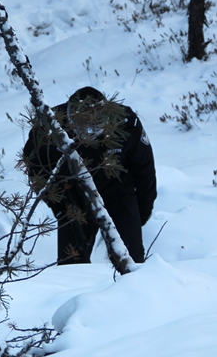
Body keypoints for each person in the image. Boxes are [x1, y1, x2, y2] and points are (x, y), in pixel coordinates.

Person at [21, 86, 156, 265]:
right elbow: (35, 167)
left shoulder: (127, 122)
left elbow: (144, 169)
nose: (88, 132)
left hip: (117, 191)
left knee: (132, 258)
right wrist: (59, 205)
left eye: (95, 126)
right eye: (82, 126)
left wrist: (142, 212)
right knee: (71, 262)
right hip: (74, 195)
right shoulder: (50, 125)